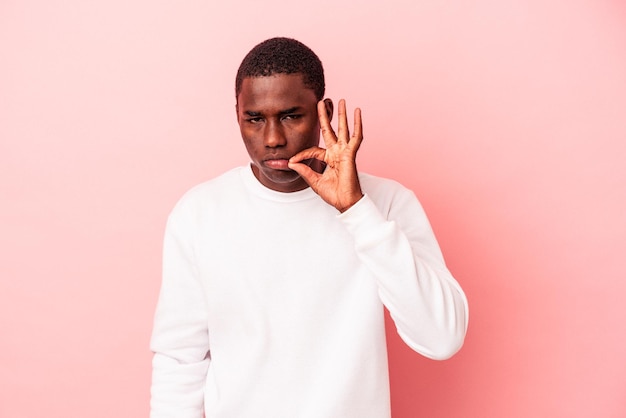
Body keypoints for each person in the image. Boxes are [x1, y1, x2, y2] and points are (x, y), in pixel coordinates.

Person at [150, 37, 468, 418]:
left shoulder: (386, 204)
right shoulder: (199, 214)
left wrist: (356, 210)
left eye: (290, 116)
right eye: (255, 119)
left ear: (324, 112)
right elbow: (179, 360)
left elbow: (442, 337)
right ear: (237, 114)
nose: (273, 139)